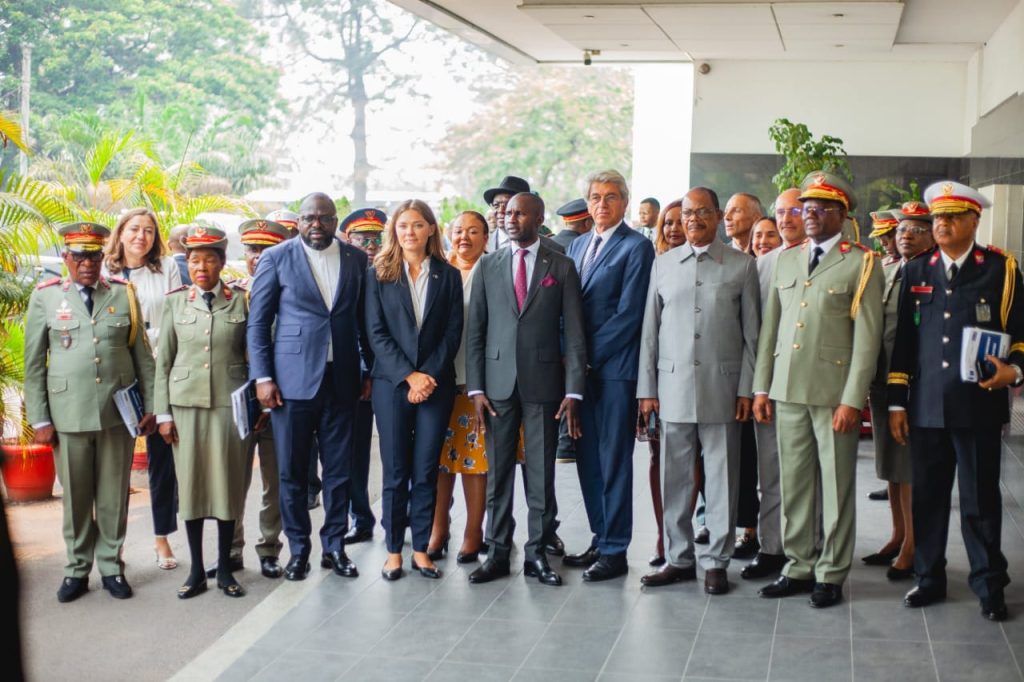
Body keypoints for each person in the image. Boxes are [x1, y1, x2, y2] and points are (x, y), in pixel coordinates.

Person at [889, 181, 1024, 622]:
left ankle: (989, 584)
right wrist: (896, 403)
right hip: (926, 405)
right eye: (937, 218)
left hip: (979, 406)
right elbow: (904, 344)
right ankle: (928, 578)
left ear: (974, 220)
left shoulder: (1001, 269)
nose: (941, 224)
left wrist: (1014, 370)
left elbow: (1021, 333)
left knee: (980, 499)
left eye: (951, 217)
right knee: (927, 497)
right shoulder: (917, 270)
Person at [753, 171, 883, 608]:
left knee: (836, 487)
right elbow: (771, 330)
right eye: (804, 208)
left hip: (832, 397)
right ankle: (799, 565)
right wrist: (760, 389)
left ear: (842, 214)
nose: (809, 215)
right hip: (787, 390)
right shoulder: (786, 260)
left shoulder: (861, 261)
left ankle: (830, 572)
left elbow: (867, 339)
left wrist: (852, 399)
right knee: (795, 485)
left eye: (820, 209)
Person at [25, 222, 156, 602]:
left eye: (93, 255)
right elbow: (34, 363)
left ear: (103, 257)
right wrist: (40, 419)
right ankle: (77, 570)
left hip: (117, 414)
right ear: (66, 258)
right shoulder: (46, 297)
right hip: (68, 414)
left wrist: (151, 407)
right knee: (77, 496)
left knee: (114, 495)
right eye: (79, 256)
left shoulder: (122, 293)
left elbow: (143, 358)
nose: (87, 263)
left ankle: (112, 567)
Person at [637, 187, 760, 595]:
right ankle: (678, 558)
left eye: (702, 212)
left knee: (722, 480)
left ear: (718, 215)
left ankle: (716, 562)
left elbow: (752, 337)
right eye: (687, 213)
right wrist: (647, 390)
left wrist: (747, 388)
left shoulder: (742, 266)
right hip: (671, 388)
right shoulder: (663, 264)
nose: (692, 219)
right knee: (675, 480)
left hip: (723, 389)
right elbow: (649, 333)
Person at [248, 192, 371, 581]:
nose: (315, 224)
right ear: (298, 222)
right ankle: (298, 550)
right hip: (291, 383)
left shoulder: (355, 259)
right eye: (308, 218)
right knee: (293, 472)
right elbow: (258, 323)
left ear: (336, 221)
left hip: (343, 380)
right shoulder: (276, 257)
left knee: (338, 471)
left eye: (323, 218)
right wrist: (263, 378)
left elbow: (364, 320)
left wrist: (367, 370)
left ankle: (333, 547)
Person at [466, 192, 586, 586]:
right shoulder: (488, 265)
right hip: (497, 386)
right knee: (498, 473)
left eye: (519, 213)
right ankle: (498, 552)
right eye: (507, 213)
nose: (509, 218)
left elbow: (574, 335)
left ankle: (537, 554)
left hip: (544, 384)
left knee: (540, 473)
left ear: (538, 217)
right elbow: (476, 333)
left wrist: (573, 391)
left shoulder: (562, 266)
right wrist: (476, 388)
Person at [565, 169, 655, 581]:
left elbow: (629, 315)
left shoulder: (636, 248)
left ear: (624, 203)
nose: (603, 204)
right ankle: (601, 537)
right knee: (586, 457)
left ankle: (617, 549)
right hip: (578, 372)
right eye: (596, 197)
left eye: (612, 197)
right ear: (588, 203)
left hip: (614, 370)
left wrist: (586, 358)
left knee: (613, 459)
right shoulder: (579, 244)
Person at [364, 200, 462, 581]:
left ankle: (421, 549)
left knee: (425, 470)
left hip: (435, 387)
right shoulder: (379, 274)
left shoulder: (447, 276)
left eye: (418, 225)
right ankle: (393, 551)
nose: (410, 232)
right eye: (403, 225)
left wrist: (427, 377)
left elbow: (453, 332)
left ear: (431, 230)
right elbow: (375, 332)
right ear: (395, 230)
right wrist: (409, 376)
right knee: (395, 470)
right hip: (392, 386)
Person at [155, 226, 250, 598]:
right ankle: (196, 569)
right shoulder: (176, 302)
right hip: (185, 407)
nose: (202, 266)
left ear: (222, 263)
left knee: (226, 486)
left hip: (229, 405)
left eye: (210, 259)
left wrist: (255, 403)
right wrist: (162, 414)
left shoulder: (242, 299)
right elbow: (163, 361)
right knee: (192, 486)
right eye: (195, 260)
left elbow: (253, 353)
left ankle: (225, 568)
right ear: (187, 263)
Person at [102, 208, 182, 571]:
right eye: (134, 229)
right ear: (121, 233)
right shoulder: (104, 271)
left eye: (149, 231)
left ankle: (161, 538)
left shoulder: (166, 268)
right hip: (117, 371)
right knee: (112, 462)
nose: (141, 237)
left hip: (160, 369)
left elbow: (176, 315)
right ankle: (111, 546)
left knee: (161, 459)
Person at [215, 218, 292, 580]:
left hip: (279, 402)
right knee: (232, 480)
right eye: (252, 250)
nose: (258, 257)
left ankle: (269, 548)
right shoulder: (230, 295)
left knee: (275, 482)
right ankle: (230, 549)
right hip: (238, 405)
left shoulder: (290, 294)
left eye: (266, 250)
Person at [861, 201, 935, 582]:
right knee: (890, 465)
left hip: (912, 385)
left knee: (908, 468)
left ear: (931, 234)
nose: (904, 236)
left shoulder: (931, 273)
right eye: (901, 229)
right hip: (881, 380)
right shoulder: (889, 269)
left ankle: (913, 545)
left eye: (915, 230)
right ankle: (897, 535)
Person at [741, 192, 801, 581]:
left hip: (812, 386)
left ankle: (806, 552)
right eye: (779, 212)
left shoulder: (833, 259)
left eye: (793, 210)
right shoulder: (760, 265)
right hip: (770, 386)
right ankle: (771, 548)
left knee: (807, 474)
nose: (785, 218)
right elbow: (753, 332)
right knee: (771, 472)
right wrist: (757, 387)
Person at [427, 210, 493, 563]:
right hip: (439, 379)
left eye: (473, 231)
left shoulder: (494, 270)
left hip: (475, 381)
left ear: (486, 237)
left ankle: (473, 531)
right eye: (458, 231)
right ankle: (439, 529)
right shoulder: (437, 269)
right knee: (438, 460)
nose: (464, 237)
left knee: (473, 461)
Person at [340, 208, 388, 544]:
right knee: (354, 453)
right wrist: (364, 372)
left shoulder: (392, 272)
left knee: (397, 451)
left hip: (391, 375)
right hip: (355, 377)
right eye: (362, 239)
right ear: (349, 240)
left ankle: (399, 518)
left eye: (375, 239)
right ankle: (361, 517)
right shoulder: (347, 273)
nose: (370, 245)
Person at [646, 198, 685, 567]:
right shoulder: (655, 266)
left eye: (679, 222)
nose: (673, 229)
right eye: (667, 223)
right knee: (659, 457)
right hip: (656, 383)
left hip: (699, 386)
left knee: (695, 464)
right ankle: (663, 534)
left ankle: (689, 529)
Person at [485, 176, 531, 252]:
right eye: (496, 205)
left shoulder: (547, 245)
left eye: (507, 205)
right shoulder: (482, 244)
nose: (500, 210)